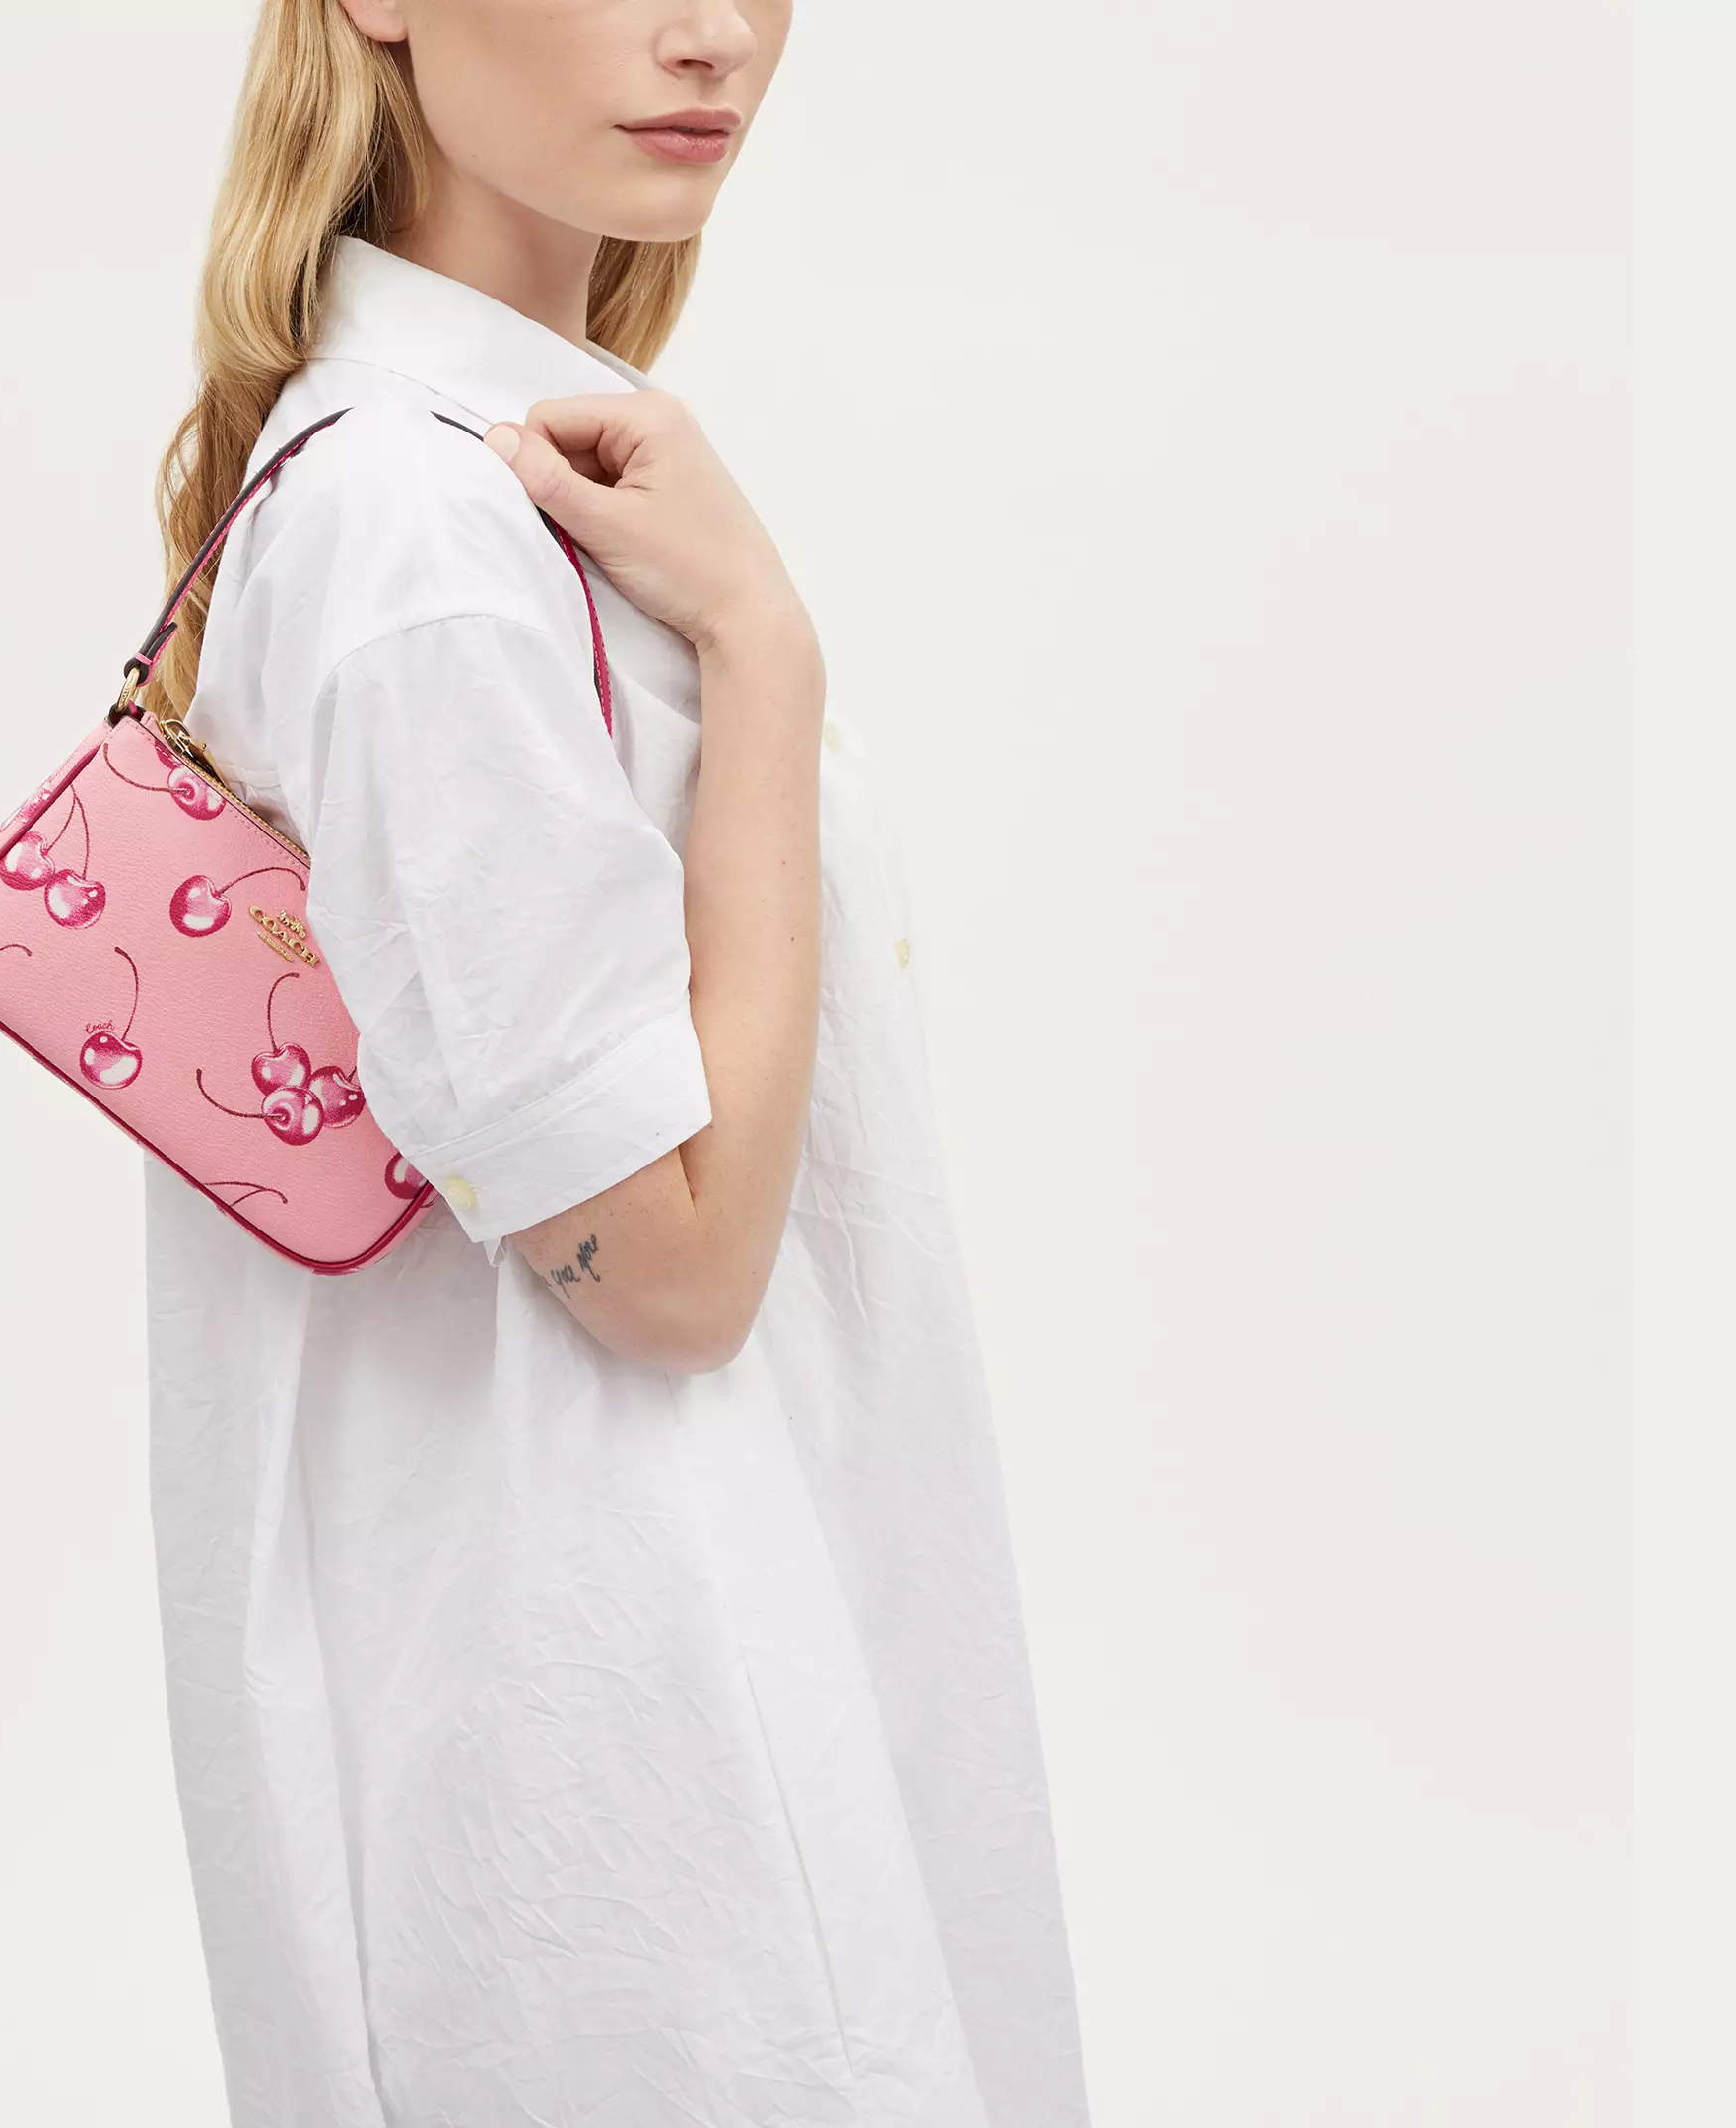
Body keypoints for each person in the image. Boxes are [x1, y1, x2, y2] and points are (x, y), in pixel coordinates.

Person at [139, 5, 1090, 2122]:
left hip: (681, 1699)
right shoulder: (419, 531)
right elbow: (665, 1274)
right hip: (639, 1787)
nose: (711, 32)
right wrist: (763, 652)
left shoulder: (511, 478)